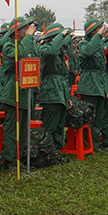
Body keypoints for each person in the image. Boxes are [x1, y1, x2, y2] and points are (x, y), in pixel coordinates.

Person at [0, 16, 36, 170]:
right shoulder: (9, 46)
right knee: (12, 129)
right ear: (17, 31)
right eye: (25, 28)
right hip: (13, 92)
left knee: (23, 129)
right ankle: (9, 159)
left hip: (26, 91)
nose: (28, 31)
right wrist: (28, 37)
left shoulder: (27, 44)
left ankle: (19, 158)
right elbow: (20, 55)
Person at [38, 23, 72, 151]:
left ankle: (57, 149)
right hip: (51, 90)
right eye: (60, 36)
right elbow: (51, 53)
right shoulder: (45, 48)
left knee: (59, 124)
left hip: (61, 90)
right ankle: (48, 151)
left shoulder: (61, 51)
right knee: (51, 124)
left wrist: (67, 96)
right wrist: (61, 35)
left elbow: (64, 75)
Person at [76, 18, 107, 153]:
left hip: (98, 83)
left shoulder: (98, 43)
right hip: (89, 84)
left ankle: (94, 145)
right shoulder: (84, 43)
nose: (102, 29)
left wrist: (105, 87)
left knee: (98, 117)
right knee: (89, 117)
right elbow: (88, 52)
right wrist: (98, 35)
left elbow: (102, 69)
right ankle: (85, 144)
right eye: (99, 28)